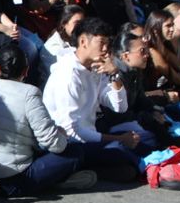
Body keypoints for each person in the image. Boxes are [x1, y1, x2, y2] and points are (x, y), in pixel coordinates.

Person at [0, 42, 94, 197]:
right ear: (26, 71)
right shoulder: (29, 93)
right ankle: (3, 188)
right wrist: (61, 135)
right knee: (75, 152)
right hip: (14, 175)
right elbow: (54, 144)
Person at [42, 17, 146, 180]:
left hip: (90, 136)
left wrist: (114, 75)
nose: (105, 49)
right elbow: (71, 131)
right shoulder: (68, 75)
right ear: (83, 41)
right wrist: (118, 139)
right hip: (70, 143)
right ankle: (75, 174)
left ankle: (95, 171)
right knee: (122, 152)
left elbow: (120, 107)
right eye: (101, 43)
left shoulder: (95, 67)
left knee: (142, 141)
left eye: (107, 44)